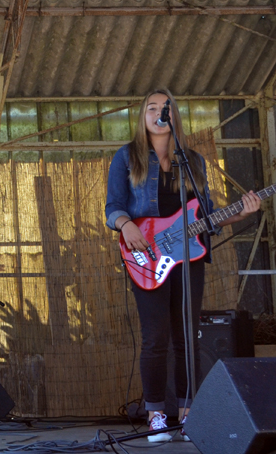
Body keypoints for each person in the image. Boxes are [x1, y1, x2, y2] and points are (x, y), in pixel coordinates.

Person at [105, 88, 260, 442]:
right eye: (153, 108)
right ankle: (157, 414)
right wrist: (126, 225)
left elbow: (207, 217)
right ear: (142, 116)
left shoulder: (192, 160)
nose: (160, 113)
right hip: (147, 254)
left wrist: (242, 212)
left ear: (175, 118)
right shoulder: (127, 157)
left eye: (167, 108)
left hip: (189, 257)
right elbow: (112, 206)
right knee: (155, 336)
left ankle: (190, 414)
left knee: (187, 337)